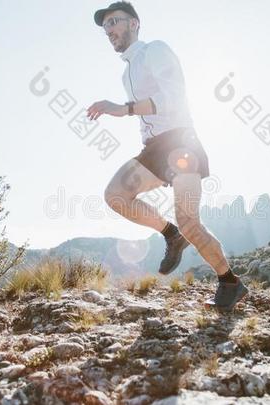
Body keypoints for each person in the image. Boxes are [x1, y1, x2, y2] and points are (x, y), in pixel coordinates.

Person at [87, 1, 248, 312]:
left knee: (190, 221)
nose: (109, 30)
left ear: (134, 23)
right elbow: (148, 119)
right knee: (116, 195)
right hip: (154, 150)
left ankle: (229, 282)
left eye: (114, 22)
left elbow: (173, 98)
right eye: (105, 26)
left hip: (180, 142)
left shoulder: (155, 50)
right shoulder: (127, 72)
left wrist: (124, 109)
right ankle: (170, 234)